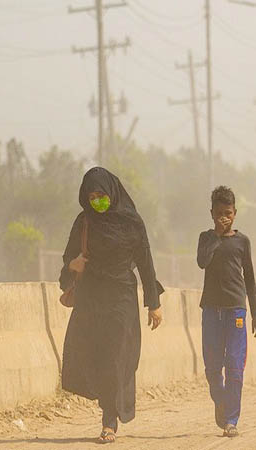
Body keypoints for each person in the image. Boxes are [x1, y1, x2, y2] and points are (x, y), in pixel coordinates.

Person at [59, 167, 164, 444]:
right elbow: (68, 257)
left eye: (102, 195)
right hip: (91, 299)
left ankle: (109, 420)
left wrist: (153, 303)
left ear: (112, 193)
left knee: (116, 357)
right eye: (91, 196)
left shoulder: (132, 223)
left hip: (122, 298)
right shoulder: (84, 222)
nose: (97, 201)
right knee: (94, 355)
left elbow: (145, 263)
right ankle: (106, 404)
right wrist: (73, 264)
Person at [197, 186, 256, 438]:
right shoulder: (205, 238)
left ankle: (231, 419)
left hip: (236, 309)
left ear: (235, 213)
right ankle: (221, 401)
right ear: (211, 213)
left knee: (234, 366)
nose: (224, 217)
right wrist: (216, 236)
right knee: (213, 368)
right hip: (211, 310)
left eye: (228, 213)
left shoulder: (242, 241)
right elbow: (202, 261)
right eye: (219, 213)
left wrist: (255, 313)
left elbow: (251, 278)